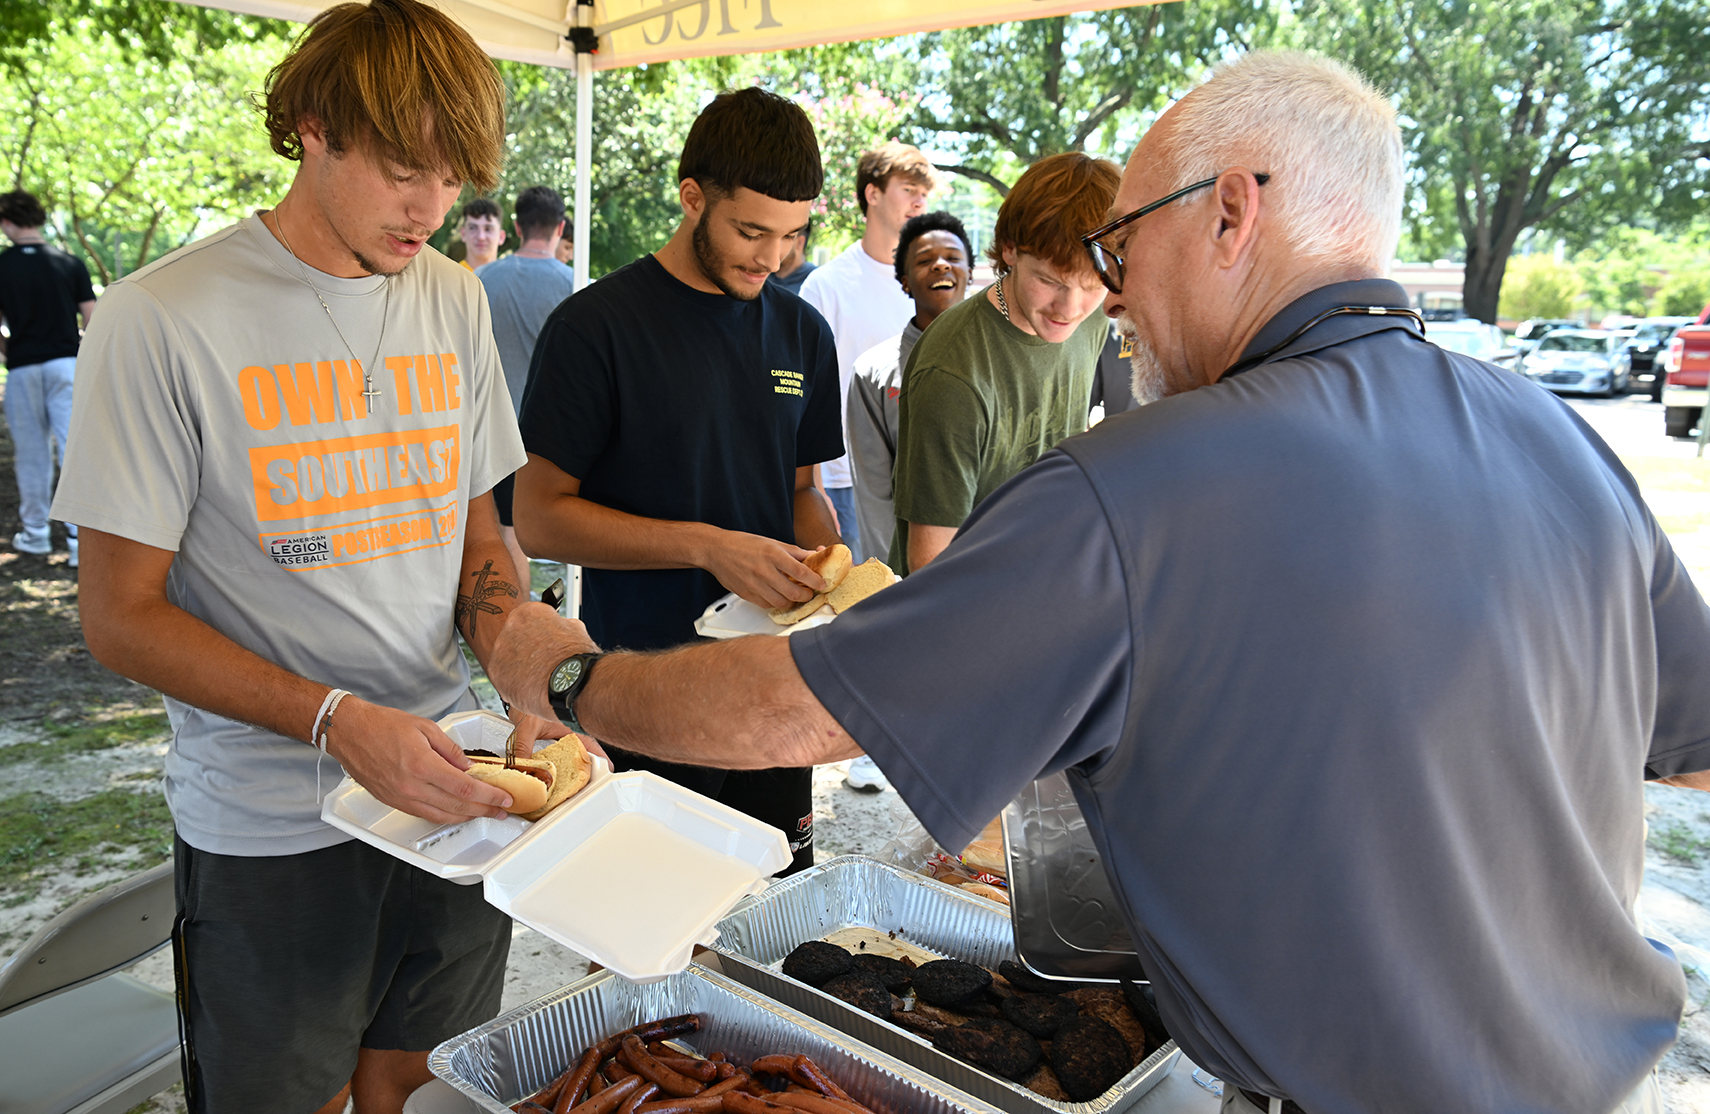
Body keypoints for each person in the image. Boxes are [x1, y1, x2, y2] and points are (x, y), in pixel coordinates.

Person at [488, 50, 1710, 1114]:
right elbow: (1688, 744)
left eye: (1125, 242)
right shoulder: (1561, 439)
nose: (1113, 290)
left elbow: (797, 713)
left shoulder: (1136, 486)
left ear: (1231, 212)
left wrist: (572, 671)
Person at [50, 4, 567, 1112]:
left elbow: (477, 538)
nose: (431, 207)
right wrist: (337, 720)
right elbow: (119, 614)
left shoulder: (452, 294)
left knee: (423, 1092)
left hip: (458, 792)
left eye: (454, 179)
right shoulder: (163, 318)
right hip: (271, 824)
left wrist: (521, 654)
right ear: (315, 128)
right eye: (403, 168)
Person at [512, 86, 842, 873]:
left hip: (772, 685)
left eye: (793, 235)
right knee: (646, 930)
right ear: (692, 198)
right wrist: (707, 548)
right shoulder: (595, 328)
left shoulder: (802, 330)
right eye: (750, 231)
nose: (772, 258)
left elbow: (800, 491)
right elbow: (539, 518)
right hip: (642, 688)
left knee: (769, 911)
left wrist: (842, 581)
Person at [891, 151, 1115, 573]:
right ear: (1010, 250)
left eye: (1091, 285)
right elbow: (930, 563)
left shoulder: (1095, 317)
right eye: (1049, 280)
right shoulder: (952, 371)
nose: (1070, 307)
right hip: (957, 603)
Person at [801, 142, 935, 568]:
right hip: (845, 483)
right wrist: (813, 488)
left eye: (925, 193)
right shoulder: (826, 287)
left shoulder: (935, 285)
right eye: (909, 187)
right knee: (859, 610)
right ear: (872, 193)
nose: (920, 200)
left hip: (925, 481)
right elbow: (802, 397)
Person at [846, 210, 972, 581]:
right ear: (904, 281)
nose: (940, 266)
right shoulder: (872, 372)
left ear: (969, 271)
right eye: (924, 260)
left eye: (953, 258)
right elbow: (873, 491)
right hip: (912, 573)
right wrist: (894, 579)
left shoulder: (1000, 360)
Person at [479, 185, 576, 587]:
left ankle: (516, 621)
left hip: (498, 431)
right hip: (561, 436)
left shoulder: (482, 279)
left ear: (517, 226)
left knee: (508, 534)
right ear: (560, 227)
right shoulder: (577, 285)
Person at [0, 190, 95, 564]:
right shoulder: (68, 262)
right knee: (74, 449)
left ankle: (36, 534)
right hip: (66, 366)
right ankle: (78, 540)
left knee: (31, 452)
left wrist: (12, 353)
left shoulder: (2, 266)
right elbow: (92, 315)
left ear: (7, 222)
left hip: (23, 369)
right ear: (38, 219)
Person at [770, 219, 816, 295]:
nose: (772, 246)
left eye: (784, 238)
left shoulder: (815, 282)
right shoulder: (760, 276)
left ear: (800, 243)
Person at [456, 195, 502, 271]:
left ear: (501, 237)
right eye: (473, 228)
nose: (481, 237)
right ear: (463, 234)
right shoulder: (451, 276)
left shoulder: (510, 278)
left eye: (488, 229)